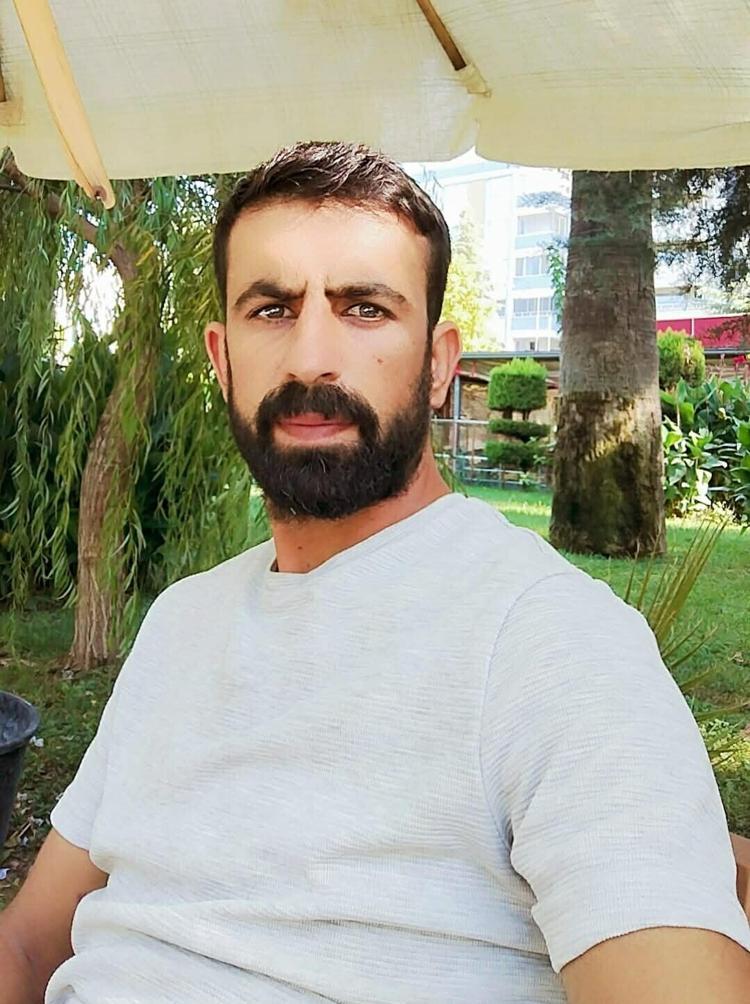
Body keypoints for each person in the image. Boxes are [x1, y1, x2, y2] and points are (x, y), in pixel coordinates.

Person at [1, 141, 748, 1004]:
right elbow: (28, 944)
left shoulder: (552, 643)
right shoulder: (182, 619)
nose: (309, 358)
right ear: (222, 358)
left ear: (438, 364)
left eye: (364, 309)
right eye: (271, 309)